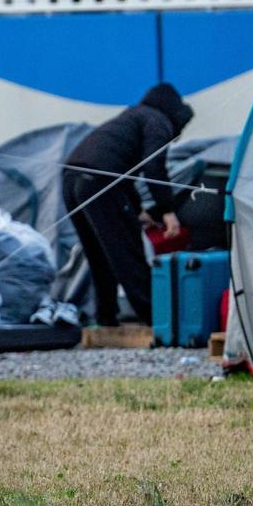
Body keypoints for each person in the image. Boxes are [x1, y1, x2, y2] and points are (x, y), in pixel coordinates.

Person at [62, 83, 194, 326]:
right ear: (176, 116)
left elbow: (124, 172)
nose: (174, 139)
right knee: (127, 250)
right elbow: (154, 167)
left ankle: (105, 318)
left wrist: (138, 210)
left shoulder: (131, 117)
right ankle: (156, 318)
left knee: (98, 253)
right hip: (100, 181)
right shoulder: (159, 121)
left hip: (71, 179)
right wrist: (167, 211)